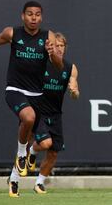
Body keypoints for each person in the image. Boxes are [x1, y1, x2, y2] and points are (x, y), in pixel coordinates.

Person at [0, 1, 63, 197]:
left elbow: (59, 66)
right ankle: (22, 153)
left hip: (37, 95)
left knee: (45, 144)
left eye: (37, 14)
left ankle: (13, 179)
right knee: (28, 117)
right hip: (15, 90)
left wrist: (52, 52)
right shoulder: (12, 33)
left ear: (41, 17)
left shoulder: (49, 36)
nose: (33, 18)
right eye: (30, 14)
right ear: (23, 16)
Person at [8, 32, 80, 196]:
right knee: (42, 144)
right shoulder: (41, 63)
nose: (59, 49)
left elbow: (75, 92)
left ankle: (39, 183)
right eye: (56, 45)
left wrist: (74, 91)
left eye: (62, 46)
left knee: (53, 151)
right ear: (50, 47)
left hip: (55, 114)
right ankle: (14, 180)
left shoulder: (70, 68)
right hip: (37, 111)